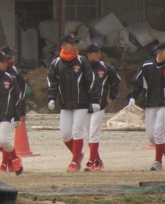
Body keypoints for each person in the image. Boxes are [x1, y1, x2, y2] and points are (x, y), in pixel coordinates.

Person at [47, 33, 100, 172]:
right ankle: (78, 154)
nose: (75, 46)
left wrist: (94, 100)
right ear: (64, 46)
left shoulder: (82, 61)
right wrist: (51, 98)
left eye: (76, 43)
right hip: (65, 104)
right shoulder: (56, 63)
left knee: (77, 131)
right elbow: (52, 82)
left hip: (81, 103)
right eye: (72, 43)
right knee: (65, 135)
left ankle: (75, 161)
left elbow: (91, 81)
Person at [0, 45, 26, 172]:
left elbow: (21, 94)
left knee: (4, 139)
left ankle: (4, 163)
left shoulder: (15, 73)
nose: (12, 58)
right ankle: (12, 160)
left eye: (13, 55)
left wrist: (21, 112)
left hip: (8, 111)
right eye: (10, 56)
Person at [82, 42, 121, 171]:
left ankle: (91, 162)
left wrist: (112, 96)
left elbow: (116, 80)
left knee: (94, 133)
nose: (99, 55)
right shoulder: (82, 67)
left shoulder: (105, 68)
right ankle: (98, 160)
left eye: (99, 52)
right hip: (84, 105)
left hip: (99, 104)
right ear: (88, 55)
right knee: (88, 135)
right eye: (96, 52)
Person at [127, 41, 165, 171]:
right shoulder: (146, 66)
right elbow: (136, 82)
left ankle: (157, 162)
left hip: (163, 104)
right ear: (160, 52)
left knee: (158, 131)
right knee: (151, 136)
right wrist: (132, 96)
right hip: (150, 103)